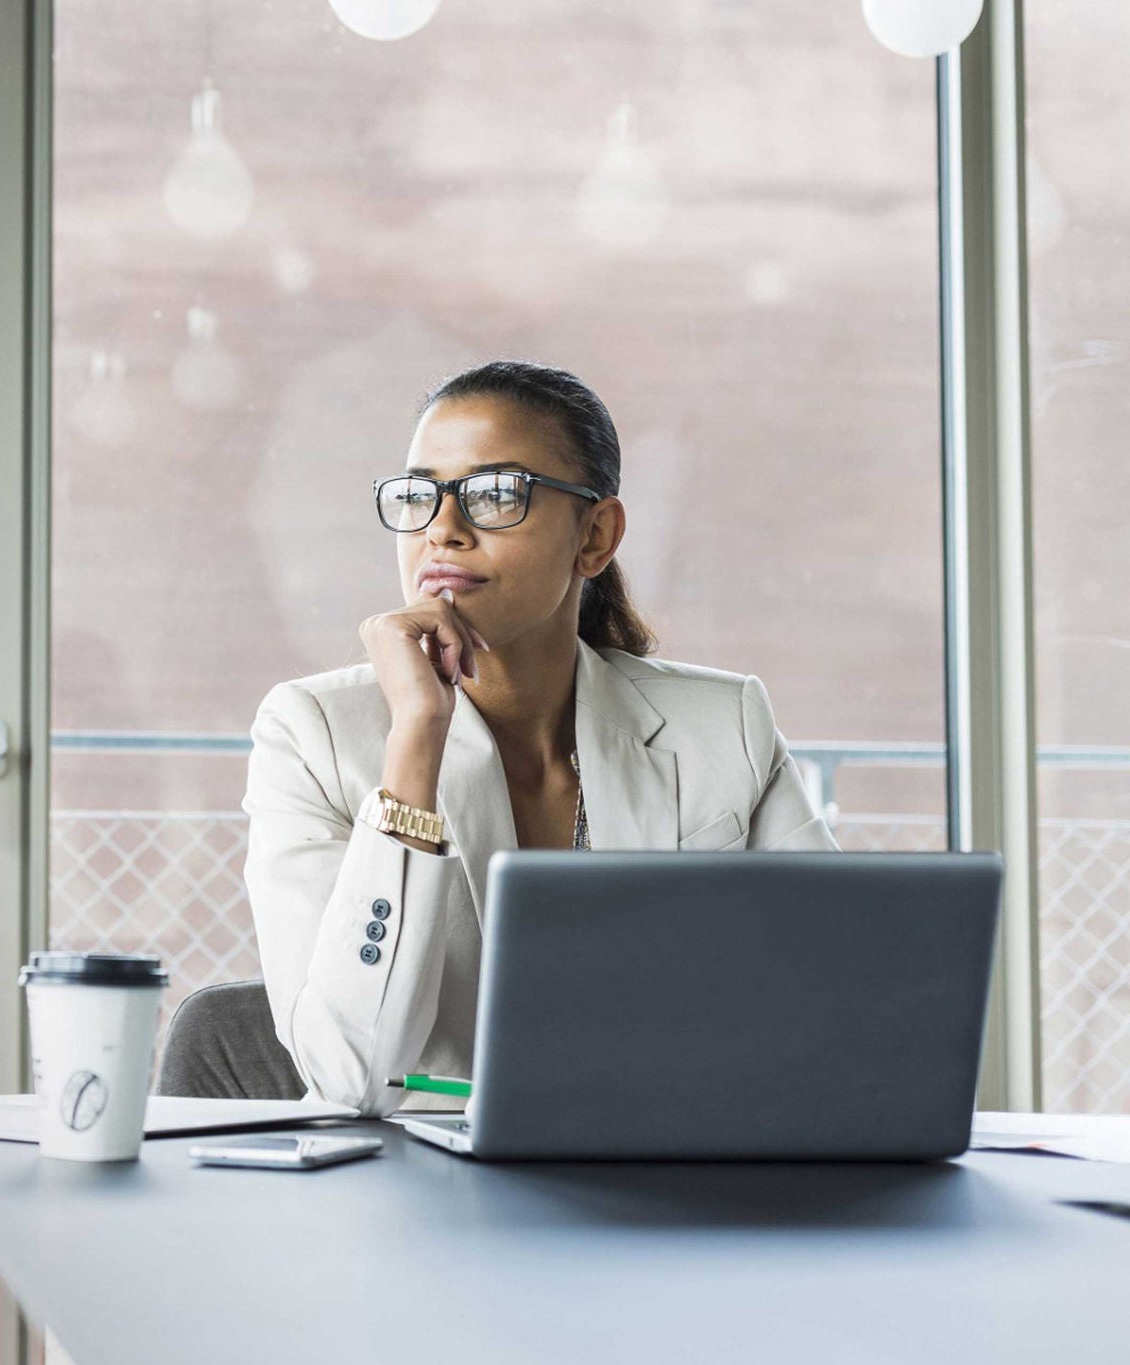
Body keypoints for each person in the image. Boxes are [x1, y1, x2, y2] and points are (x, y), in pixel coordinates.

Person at [240, 360, 840, 1116]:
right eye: (421, 496)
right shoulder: (312, 735)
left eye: (496, 494)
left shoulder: (726, 725)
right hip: (426, 1180)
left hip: (672, 1163)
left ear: (595, 535)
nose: (443, 530)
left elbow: (841, 999)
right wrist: (417, 737)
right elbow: (352, 1077)